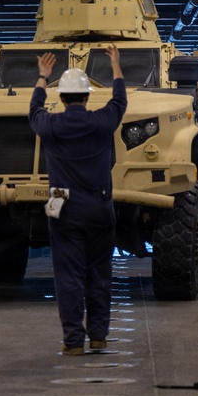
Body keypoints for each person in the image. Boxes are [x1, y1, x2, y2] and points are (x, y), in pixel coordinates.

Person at [29, 45, 126, 356]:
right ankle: (98, 337)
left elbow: (34, 111)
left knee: (68, 276)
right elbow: (119, 101)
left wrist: (43, 77)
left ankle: (73, 342)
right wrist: (115, 67)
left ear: (61, 98)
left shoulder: (50, 126)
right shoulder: (102, 122)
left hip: (63, 207)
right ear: (86, 97)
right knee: (99, 273)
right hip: (99, 207)